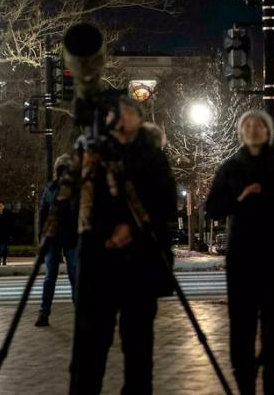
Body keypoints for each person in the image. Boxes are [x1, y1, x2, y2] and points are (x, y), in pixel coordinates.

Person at [69, 96, 177, 395]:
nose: (121, 117)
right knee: (91, 346)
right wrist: (108, 229)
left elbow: (165, 201)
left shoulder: (153, 155)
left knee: (139, 346)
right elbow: (79, 203)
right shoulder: (93, 152)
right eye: (116, 112)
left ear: (140, 119)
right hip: (99, 258)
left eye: (129, 111)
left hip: (141, 261)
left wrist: (131, 228)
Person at [206, 110, 274, 395]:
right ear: (240, 132)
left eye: (260, 124)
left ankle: (272, 384)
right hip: (242, 256)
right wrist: (240, 198)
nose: (254, 128)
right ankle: (245, 385)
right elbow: (212, 207)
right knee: (242, 326)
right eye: (248, 124)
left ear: (268, 131)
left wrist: (270, 198)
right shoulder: (230, 168)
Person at [35, 153, 80, 327]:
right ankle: (44, 313)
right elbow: (42, 214)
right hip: (53, 239)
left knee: (74, 276)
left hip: (71, 237)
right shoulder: (51, 189)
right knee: (50, 276)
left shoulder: (77, 189)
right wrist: (42, 237)